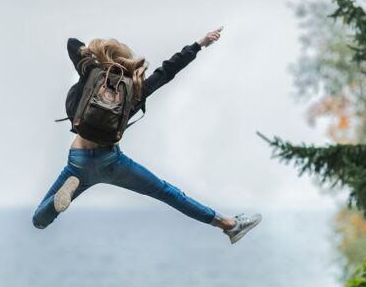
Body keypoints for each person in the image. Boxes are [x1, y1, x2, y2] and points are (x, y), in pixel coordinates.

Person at [32, 27, 262, 244]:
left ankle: (57, 202)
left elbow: (72, 43)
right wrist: (199, 44)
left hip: (78, 161)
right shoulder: (134, 89)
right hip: (111, 162)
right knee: (168, 193)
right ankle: (229, 225)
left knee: (39, 221)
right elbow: (168, 71)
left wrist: (95, 56)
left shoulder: (91, 73)